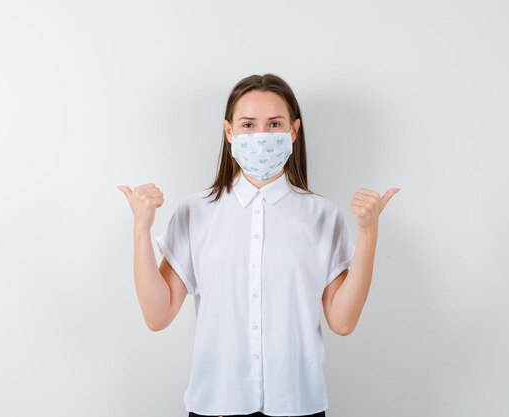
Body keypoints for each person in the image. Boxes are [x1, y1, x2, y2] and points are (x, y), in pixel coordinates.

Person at [118, 73, 399, 417]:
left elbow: (342, 321)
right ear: (229, 132)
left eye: (274, 124)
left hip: (297, 407)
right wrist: (141, 229)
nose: (261, 136)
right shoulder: (196, 212)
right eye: (248, 125)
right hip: (216, 407)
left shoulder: (322, 215)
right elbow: (157, 315)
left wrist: (369, 233)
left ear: (294, 131)